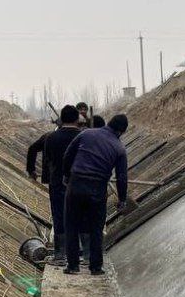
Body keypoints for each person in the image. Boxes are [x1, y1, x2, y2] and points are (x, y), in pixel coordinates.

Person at [62, 114, 131, 276]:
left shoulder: (86, 133)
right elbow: (122, 177)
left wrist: (66, 175)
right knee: (96, 228)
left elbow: (68, 155)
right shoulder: (119, 148)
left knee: (71, 225)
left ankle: (72, 266)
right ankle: (95, 267)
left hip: (76, 184)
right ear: (121, 132)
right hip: (97, 189)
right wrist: (121, 200)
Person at [25, 105, 82, 266]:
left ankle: (60, 255)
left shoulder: (50, 137)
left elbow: (47, 159)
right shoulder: (83, 137)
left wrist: (33, 171)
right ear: (77, 119)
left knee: (59, 216)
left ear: (61, 119)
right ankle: (79, 252)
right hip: (78, 182)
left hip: (57, 182)